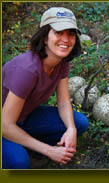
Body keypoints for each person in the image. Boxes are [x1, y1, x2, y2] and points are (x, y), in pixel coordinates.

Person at [2, 7, 89, 169]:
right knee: (18, 162)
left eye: (70, 33)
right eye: (58, 32)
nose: (65, 39)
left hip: (24, 116)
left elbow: (63, 102)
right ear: (44, 37)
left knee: (79, 123)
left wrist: (71, 129)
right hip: (4, 123)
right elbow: (5, 125)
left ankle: (30, 148)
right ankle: (28, 150)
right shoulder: (26, 70)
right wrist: (49, 150)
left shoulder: (61, 63)